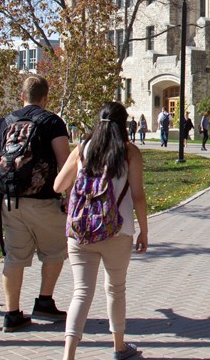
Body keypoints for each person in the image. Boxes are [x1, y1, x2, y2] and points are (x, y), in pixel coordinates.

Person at [54, 102, 149, 360]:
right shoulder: (129, 152)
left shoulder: (83, 149)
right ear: (122, 124)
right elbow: (138, 196)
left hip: (81, 230)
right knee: (116, 288)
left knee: (81, 292)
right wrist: (144, 231)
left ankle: (68, 355)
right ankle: (119, 346)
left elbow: (58, 184)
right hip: (117, 230)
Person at [0, 76, 71, 332]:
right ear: (46, 97)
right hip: (44, 200)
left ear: (21, 95)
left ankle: (12, 313)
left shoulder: (3, 122)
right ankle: (44, 301)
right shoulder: (52, 122)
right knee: (55, 252)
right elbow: (64, 161)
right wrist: (67, 195)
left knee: (14, 257)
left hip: (11, 201)